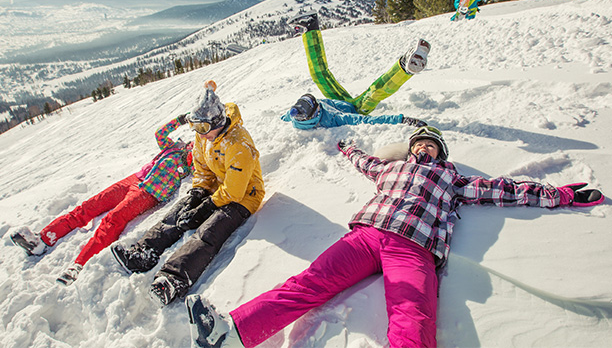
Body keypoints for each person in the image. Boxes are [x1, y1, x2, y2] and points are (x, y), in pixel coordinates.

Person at [184, 125, 604, 348]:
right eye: (419, 145)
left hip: (414, 248)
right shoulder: (391, 168)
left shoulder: (453, 180)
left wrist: (563, 194)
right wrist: (346, 148)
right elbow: (365, 162)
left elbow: (507, 190)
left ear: (441, 154)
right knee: (308, 284)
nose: (424, 150)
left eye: (432, 146)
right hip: (367, 235)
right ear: (410, 149)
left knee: (412, 311)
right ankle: (233, 332)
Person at [111, 81, 265, 306]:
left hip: (244, 195)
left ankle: (172, 279)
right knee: (180, 211)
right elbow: (202, 169)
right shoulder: (204, 137)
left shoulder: (238, 144)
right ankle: (143, 252)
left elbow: (234, 191)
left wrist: (207, 207)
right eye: (196, 127)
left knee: (210, 230)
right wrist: (198, 192)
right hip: (217, 187)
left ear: (218, 122)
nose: (199, 134)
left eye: (203, 128)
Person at [10, 115, 194, 286]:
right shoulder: (173, 147)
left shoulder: (192, 161)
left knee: (113, 220)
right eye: (194, 141)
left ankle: (79, 264)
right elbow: (160, 133)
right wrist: (182, 119)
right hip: (133, 180)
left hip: (148, 194)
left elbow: (202, 164)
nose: (194, 143)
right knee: (88, 207)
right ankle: (42, 240)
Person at [287, 11, 431, 116]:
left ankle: (310, 28)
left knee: (320, 75)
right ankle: (404, 67)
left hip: (341, 106)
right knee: (374, 93)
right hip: (352, 110)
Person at [281, 93, 427, 130]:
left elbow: (286, 117)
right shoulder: (336, 118)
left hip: (341, 104)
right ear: (316, 111)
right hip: (351, 108)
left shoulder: (295, 116)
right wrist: (401, 119)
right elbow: (368, 120)